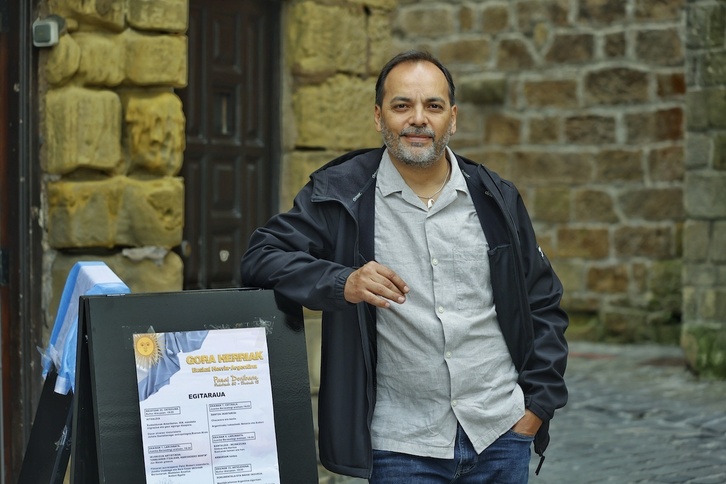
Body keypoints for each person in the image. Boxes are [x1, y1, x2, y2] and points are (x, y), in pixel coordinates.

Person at [241, 50, 568, 483]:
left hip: (500, 435)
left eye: (433, 106)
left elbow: (543, 302)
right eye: (402, 106)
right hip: (400, 446)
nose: (418, 119)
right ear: (379, 117)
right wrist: (343, 281)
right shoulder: (340, 195)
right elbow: (261, 258)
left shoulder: (496, 199)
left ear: (452, 118)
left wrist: (535, 408)